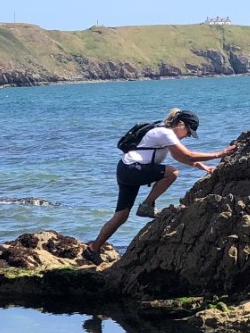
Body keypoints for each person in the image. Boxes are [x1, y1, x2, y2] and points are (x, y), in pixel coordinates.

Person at [83, 109, 225, 262]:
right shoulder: (166, 133)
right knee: (172, 173)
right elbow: (187, 155)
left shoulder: (163, 131)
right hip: (132, 170)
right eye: (188, 131)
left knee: (121, 216)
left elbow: (179, 156)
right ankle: (147, 205)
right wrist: (220, 154)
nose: (188, 136)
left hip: (126, 169)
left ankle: (93, 249)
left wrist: (202, 167)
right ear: (180, 123)